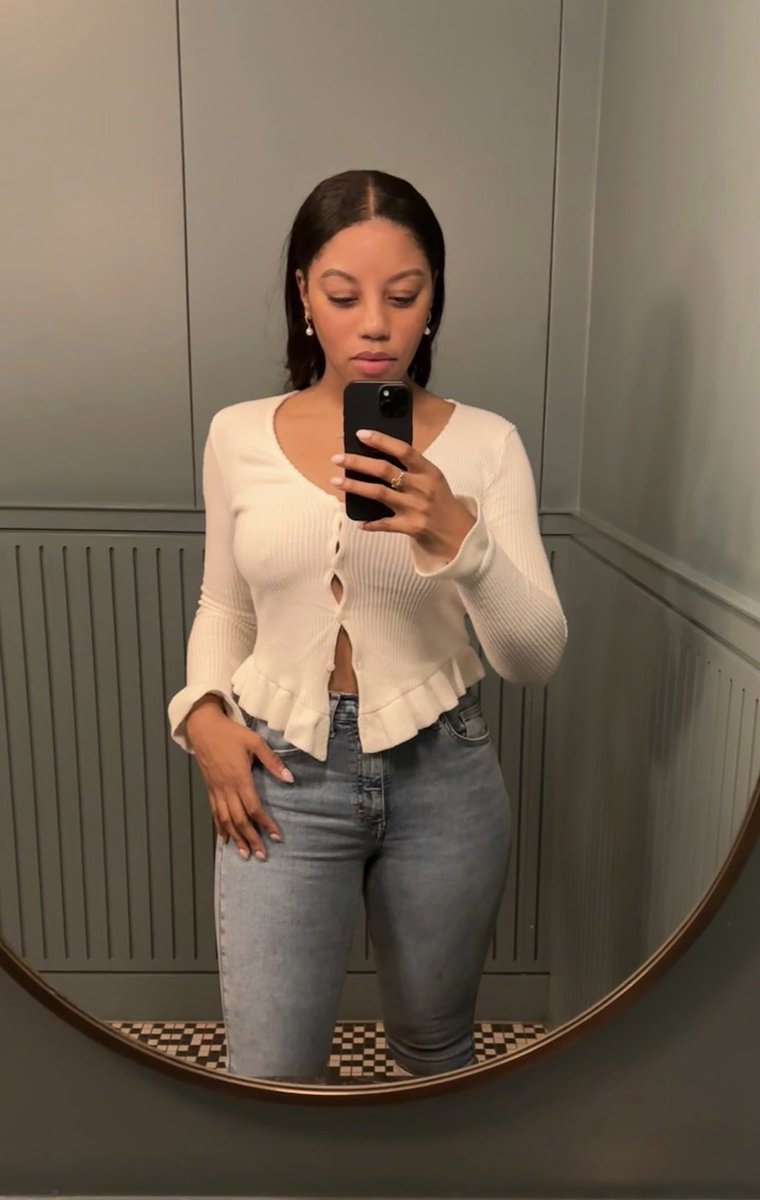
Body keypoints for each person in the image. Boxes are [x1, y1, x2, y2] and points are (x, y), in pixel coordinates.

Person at [167, 168, 568, 1083]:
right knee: (271, 1070)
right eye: (345, 296)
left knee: (435, 1055)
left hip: (445, 777)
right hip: (279, 777)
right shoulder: (237, 434)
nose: (376, 324)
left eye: (404, 295)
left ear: (434, 301)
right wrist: (202, 715)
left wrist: (458, 537)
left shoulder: (487, 445)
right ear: (305, 296)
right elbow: (223, 607)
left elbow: (535, 658)